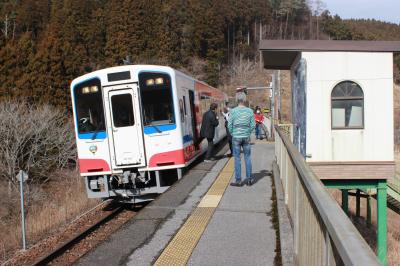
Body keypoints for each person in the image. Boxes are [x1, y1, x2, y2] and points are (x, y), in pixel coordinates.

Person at [228, 92, 255, 186]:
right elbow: (253, 125)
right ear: (244, 100)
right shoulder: (250, 111)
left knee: (237, 159)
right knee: (247, 157)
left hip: (236, 137)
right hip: (246, 137)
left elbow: (229, 125)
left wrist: (233, 133)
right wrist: (247, 132)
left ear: (237, 100)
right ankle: (249, 179)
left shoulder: (233, 111)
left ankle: (238, 181)